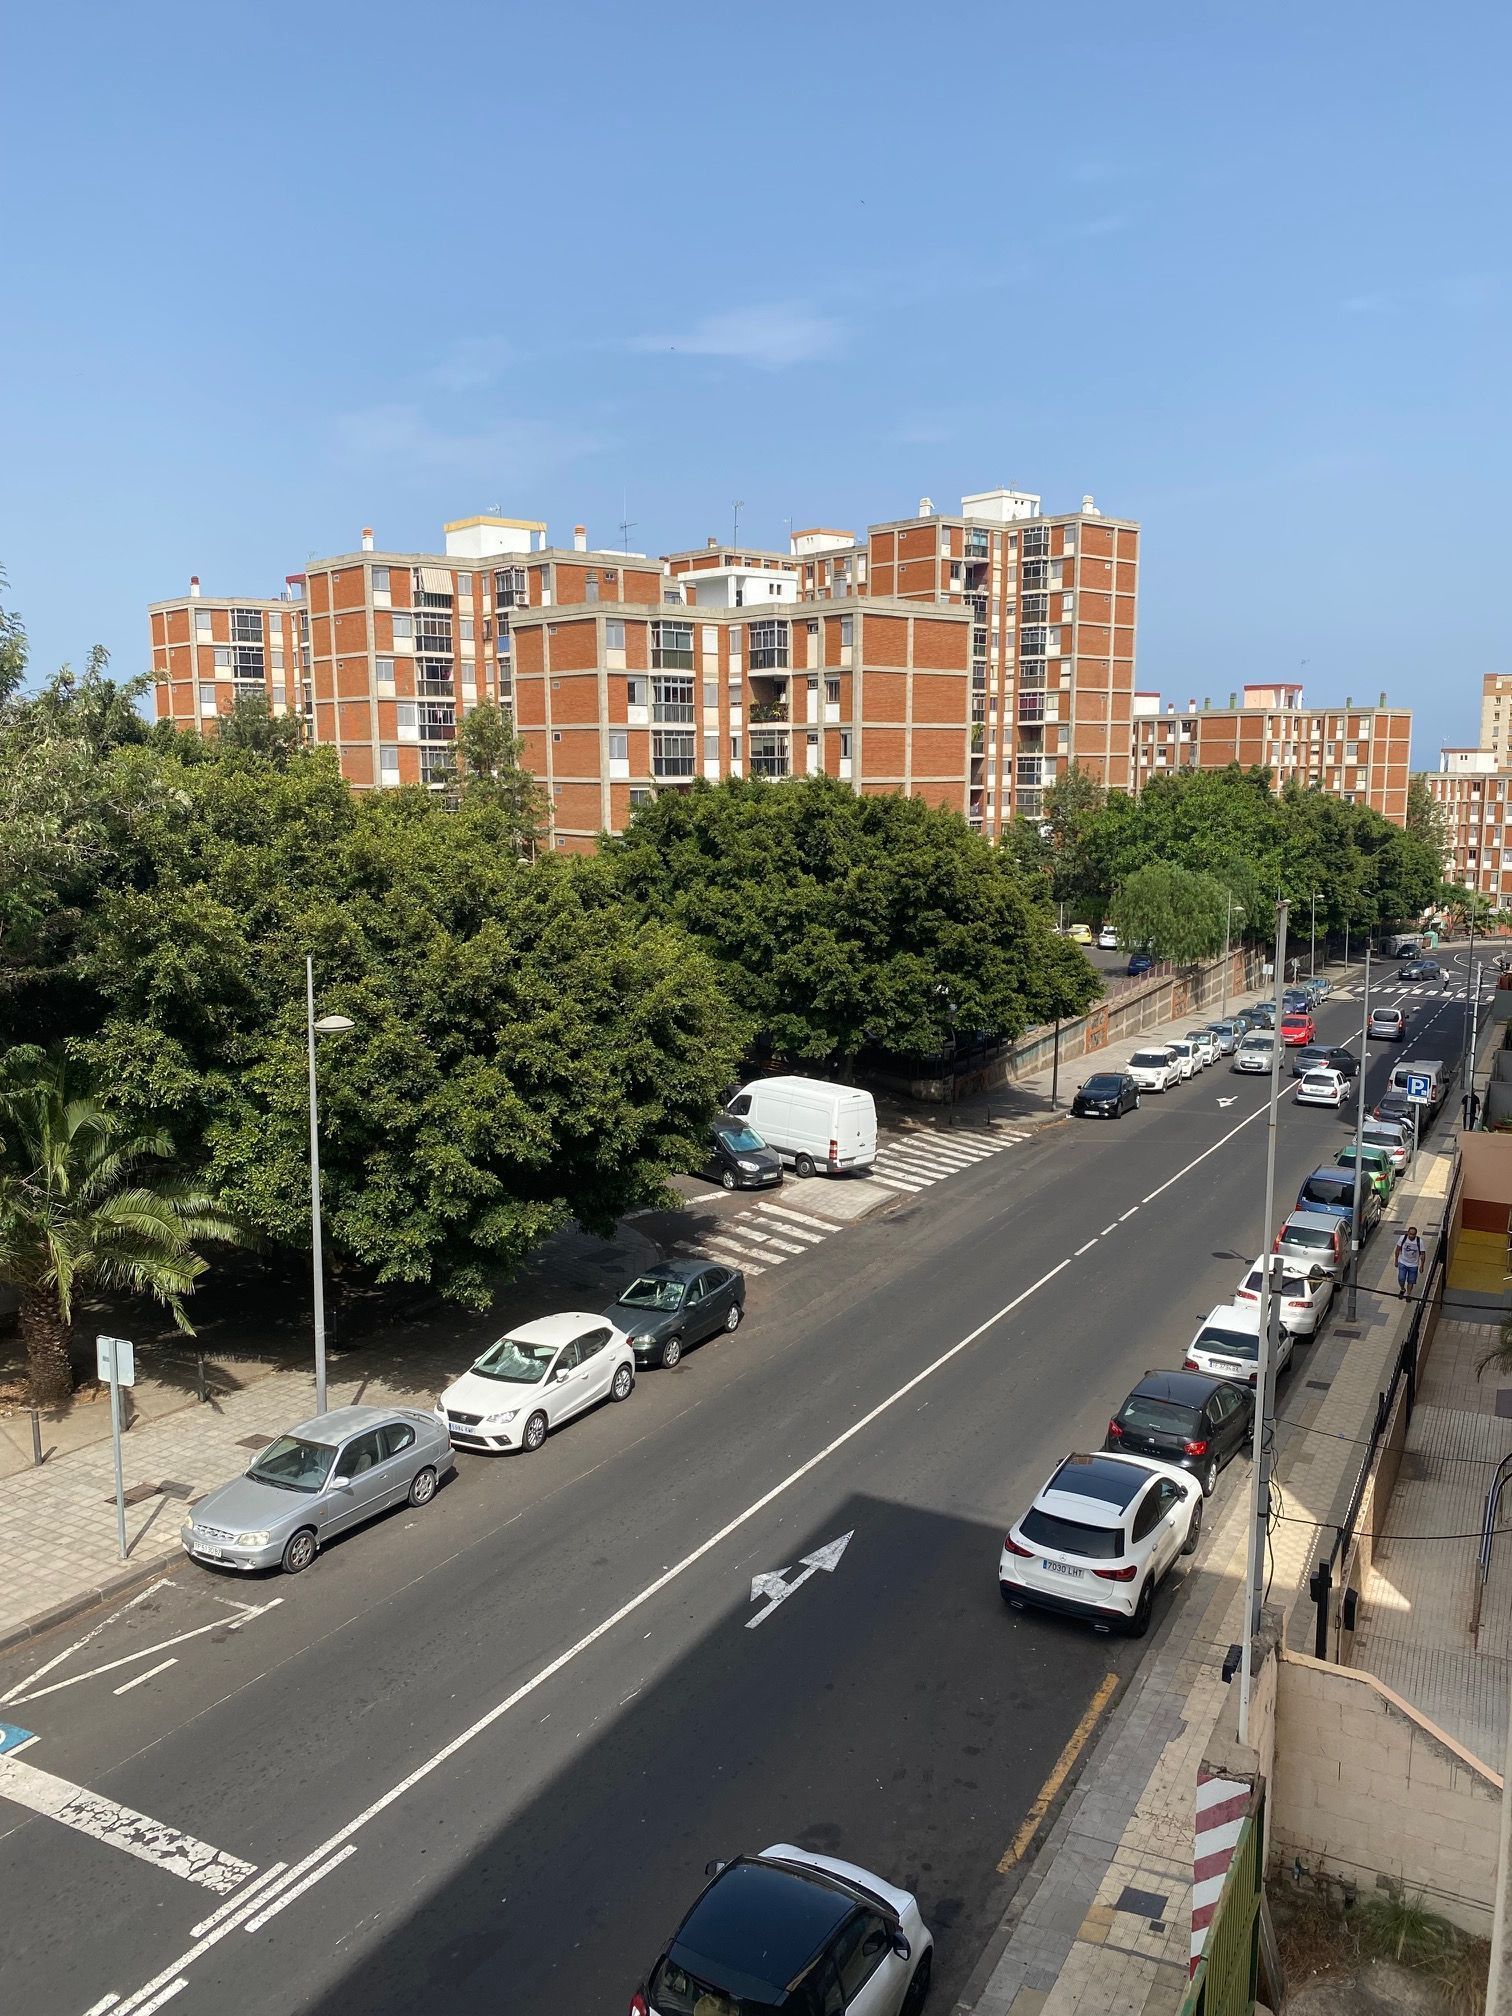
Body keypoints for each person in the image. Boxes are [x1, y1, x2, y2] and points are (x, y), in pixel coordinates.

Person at [1394, 1225, 1425, 1299]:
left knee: (1411, 1281)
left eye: (1413, 1234)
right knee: (1401, 1278)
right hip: (1403, 1262)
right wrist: (1396, 1260)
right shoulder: (1403, 1238)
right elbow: (1397, 1249)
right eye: (1410, 1234)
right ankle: (1402, 1289)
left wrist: (1422, 1265)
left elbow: (1423, 1254)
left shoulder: (1419, 1242)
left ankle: (1408, 1294)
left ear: (1416, 1234)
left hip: (1413, 1265)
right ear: (1408, 1233)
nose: (1411, 1236)